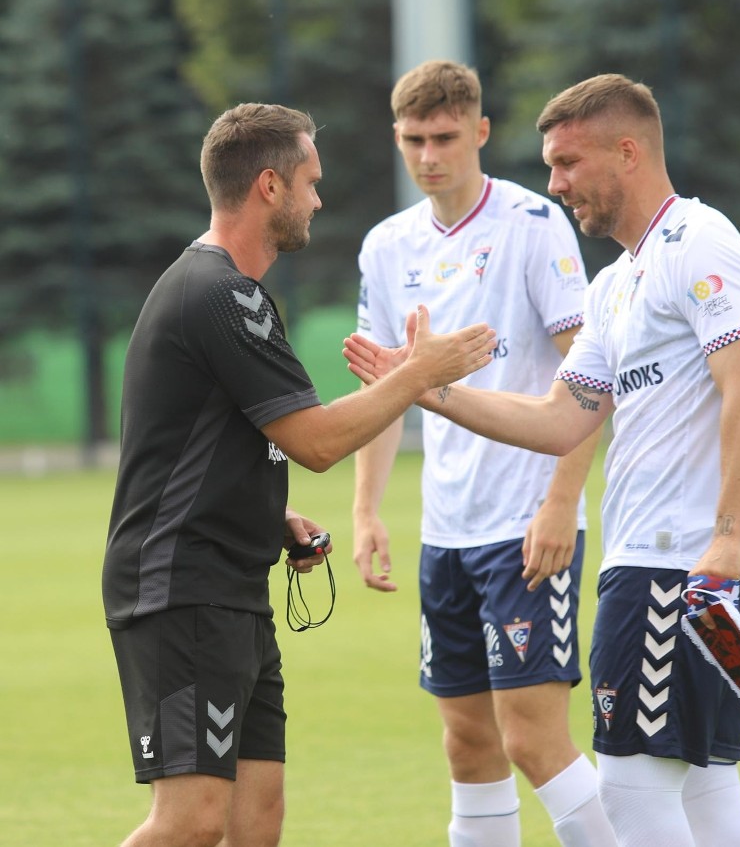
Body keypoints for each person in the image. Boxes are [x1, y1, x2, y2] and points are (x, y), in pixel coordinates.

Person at [345, 73, 740, 847]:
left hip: (681, 563)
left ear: (629, 151)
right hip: (651, 556)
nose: (555, 183)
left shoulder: (701, 241)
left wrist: (729, 535)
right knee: (707, 795)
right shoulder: (617, 282)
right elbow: (559, 419)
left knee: (633, 796)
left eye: (569, 163)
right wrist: (423, 387)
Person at [101, 102, 496, 847]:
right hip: (182, 589)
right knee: (189, 824)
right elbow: (316, 443)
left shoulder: (231, 292)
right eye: (312, 182)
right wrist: (418, 376)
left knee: (258, 821)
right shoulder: (221, 295)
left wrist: (266, 515)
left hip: (228, 586)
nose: (320, 199)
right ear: (271, 188)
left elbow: (215, 438)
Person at [353, 60, 614, 847]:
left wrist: (561, 502)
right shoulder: (386, 246)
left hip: (526, 524)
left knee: (533, 739)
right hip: (448, 530)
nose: (429, 155)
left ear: (480, 132)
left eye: (444, 137)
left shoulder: (533, 225)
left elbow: (588, 377)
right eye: (412, 140)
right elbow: (382, 392)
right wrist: (367, 509)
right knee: (468, 747)